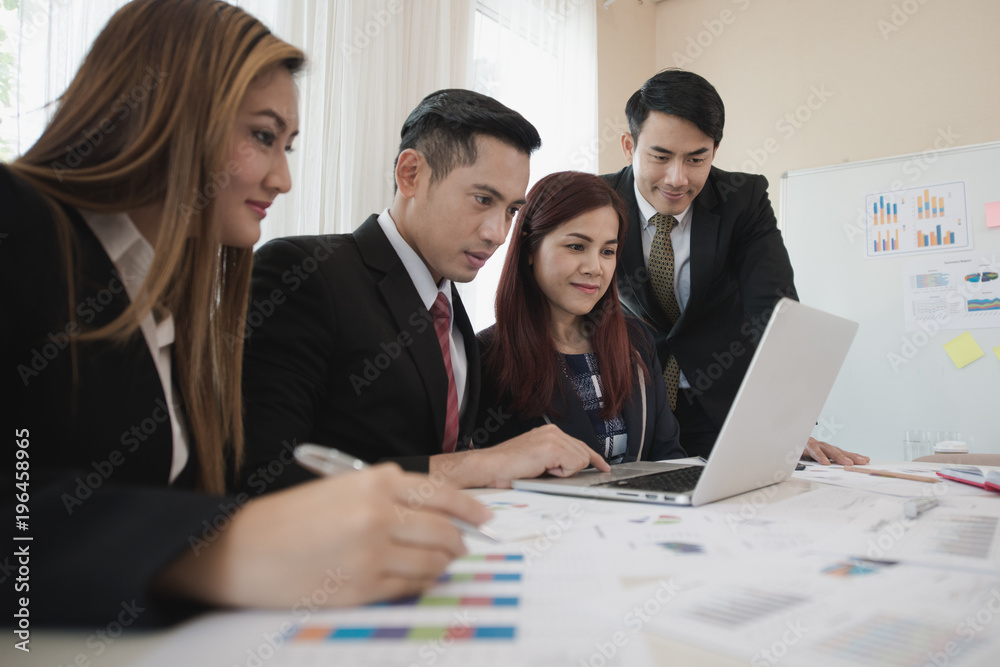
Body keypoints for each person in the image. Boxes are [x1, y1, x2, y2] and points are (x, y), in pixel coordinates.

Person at [2, 0, 488, 628]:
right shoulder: (18, 222)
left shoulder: (166, 303)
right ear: (166, 108)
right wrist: (213, 546)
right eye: (262, 137)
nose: (284, 179)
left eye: (288, 146)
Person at [239, 90, 610, 495]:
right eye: (482, 199)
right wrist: (480, 463)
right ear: (410, 174)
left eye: (510, 211)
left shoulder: (450, 308)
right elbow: (266, 476)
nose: (497, 233)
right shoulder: (304, 273)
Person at [603, 68, 868, 465]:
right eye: (660, 157)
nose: (677, 178)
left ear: (715, 150)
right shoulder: (596, 200)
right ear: (629, 146)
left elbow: (775, 313)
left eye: (696, 159)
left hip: (723, 408)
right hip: (631, 404)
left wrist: (788, 424)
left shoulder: (742, 200)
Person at [476, 171, 687, 464]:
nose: (595, 268)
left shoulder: (637, 341)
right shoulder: (485, 355)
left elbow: (669, 456)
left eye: (607, 251)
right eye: (576, 246)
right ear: (530, 248)